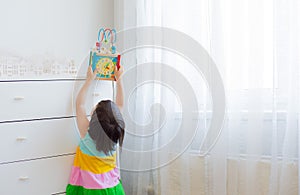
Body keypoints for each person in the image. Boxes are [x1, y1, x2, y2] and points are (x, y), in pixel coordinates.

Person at [66, 65, 126, 195]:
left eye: (96, 107)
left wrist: (89, 80)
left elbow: (80, 105)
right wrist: (119, 80)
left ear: (94, 121)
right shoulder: (113, 134)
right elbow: (120, 105)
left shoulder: (87, 133)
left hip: (92, 190)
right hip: (113, 188)